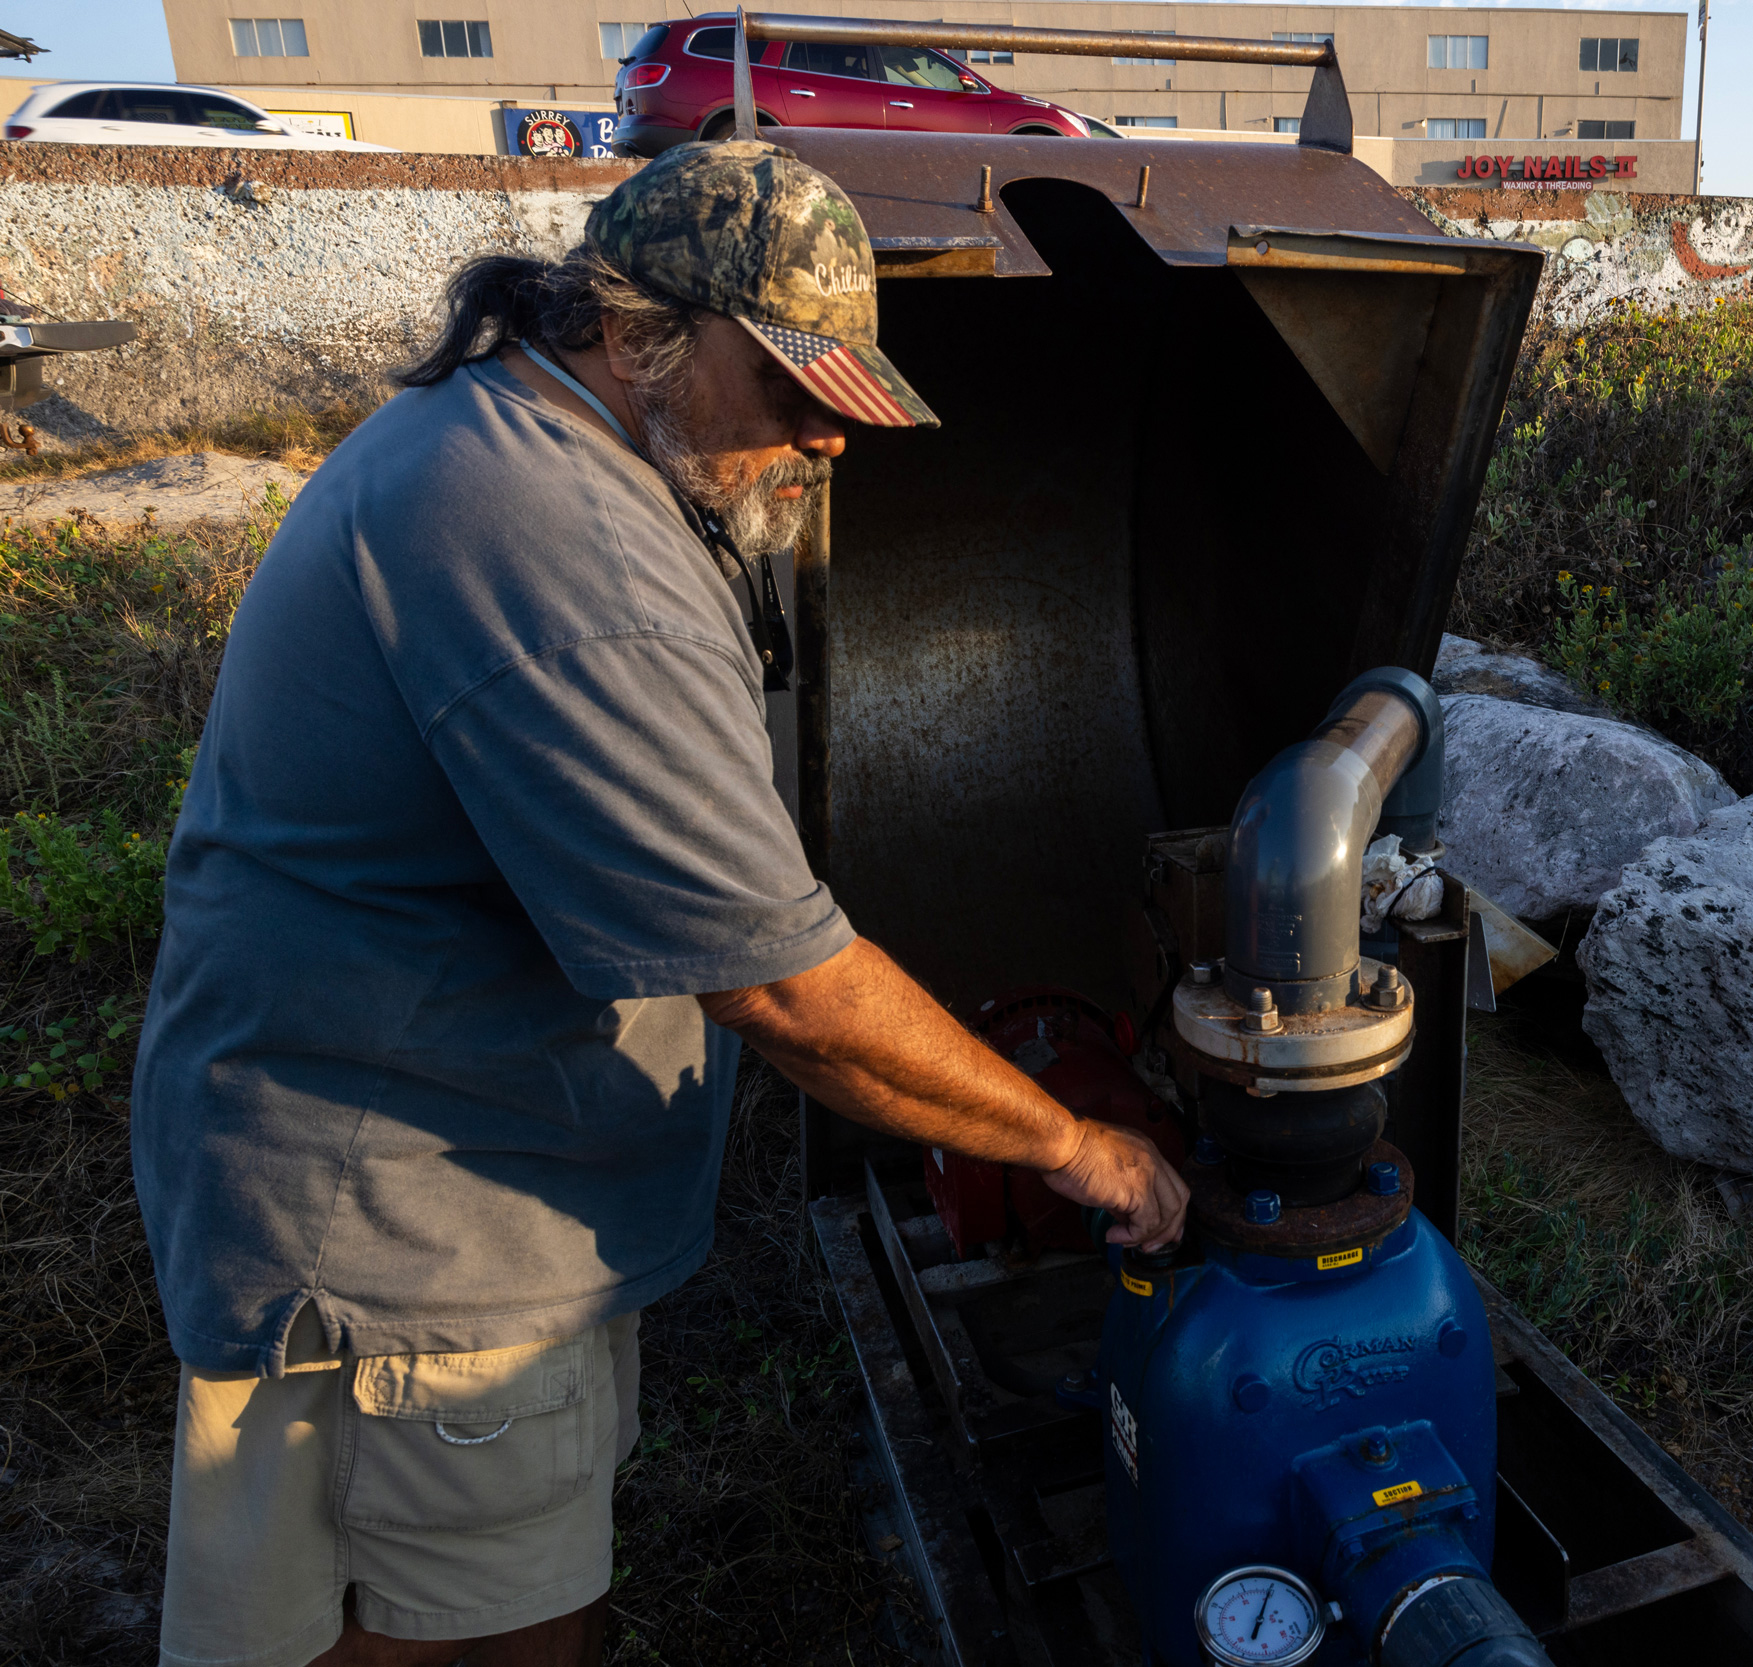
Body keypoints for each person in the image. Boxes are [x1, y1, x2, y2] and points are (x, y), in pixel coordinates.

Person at [130, 140, 1188, 1667]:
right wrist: (1074, 1145)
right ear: (636, 335)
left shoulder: (534, 441)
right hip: (404, 1254)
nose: (832, 442)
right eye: (797, 393)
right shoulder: (553, 542)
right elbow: (784, 989)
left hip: (458, 1176)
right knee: (445, 1634)